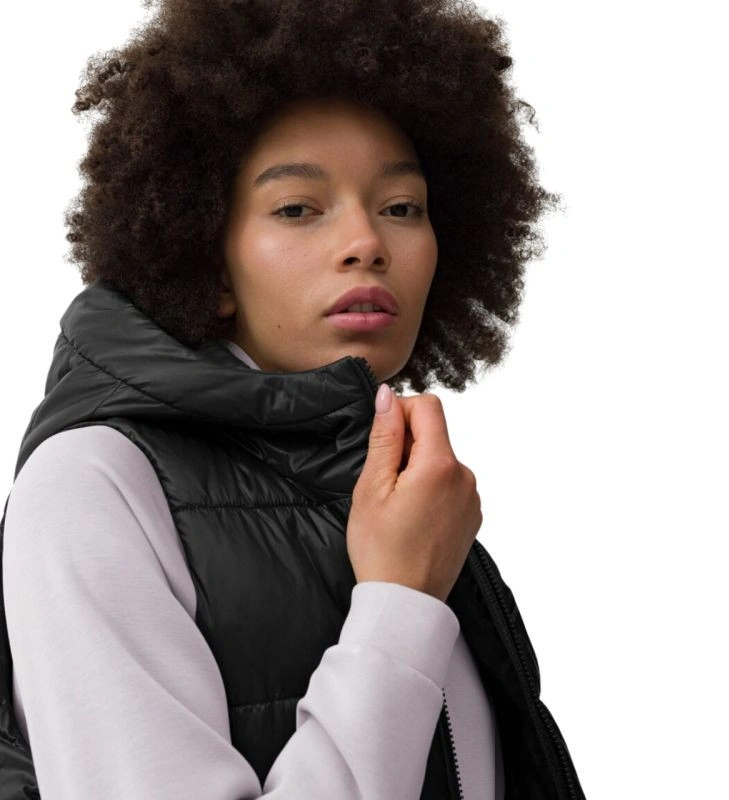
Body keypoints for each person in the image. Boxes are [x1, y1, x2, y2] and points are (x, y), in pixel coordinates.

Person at [0, 0, 586, 798]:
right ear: (206, 256)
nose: (367, 243)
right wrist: (399, 603)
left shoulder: (394, 491)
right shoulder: (94, 485)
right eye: (297, 209)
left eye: (401, 208)